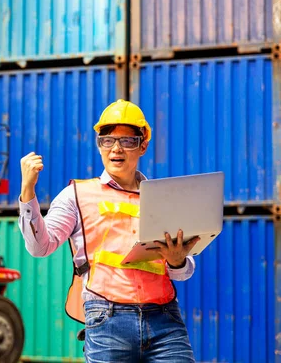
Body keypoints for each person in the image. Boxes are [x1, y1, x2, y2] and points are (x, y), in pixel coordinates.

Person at [18, 99, 199, 363]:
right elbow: (39, 247)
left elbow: (184, 271)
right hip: (107, 320)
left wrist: (177, 260)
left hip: (164, 320)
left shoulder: (162, 198)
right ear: (99, 146)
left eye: (127, 141)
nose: (116, 149)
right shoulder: (77, 195)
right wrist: (27, 191)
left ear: (143, 146)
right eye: (108, 141)